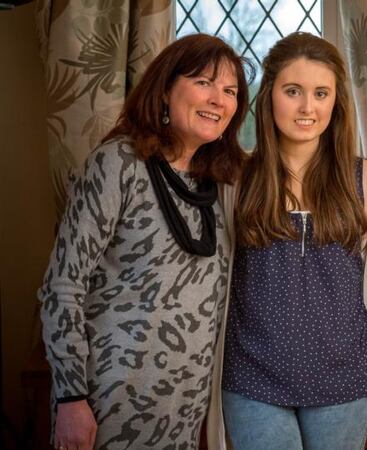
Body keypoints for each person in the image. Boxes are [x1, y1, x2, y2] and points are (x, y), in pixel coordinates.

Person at [38, 33, 251, 449]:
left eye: (230, 91)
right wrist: (70, 396)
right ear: (166, 89)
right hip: (106, 401)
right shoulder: (118, 163)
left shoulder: (220, 182)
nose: (218, 100)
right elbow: (61, 287)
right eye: (204, 82)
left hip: (184, 409)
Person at [216, 32, 367, 450]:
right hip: (254, 377)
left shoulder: (365, 177)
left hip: (343, 378)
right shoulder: (237, 177)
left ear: (335, 102)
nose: (308, 107)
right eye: (294, 91)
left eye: (321, 93)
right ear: (269, 96)